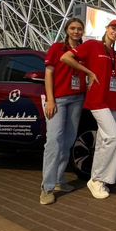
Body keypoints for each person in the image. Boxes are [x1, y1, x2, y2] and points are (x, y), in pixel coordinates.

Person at [60, 19, 116, 200]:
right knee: (114, 137)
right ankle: (98, 180)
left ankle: (97, 180)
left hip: (114, 102)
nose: (115, 31)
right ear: (106, 28)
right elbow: (65, 58)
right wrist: (88, 72)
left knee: (104, 141)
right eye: (113, 27)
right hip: (98, 101)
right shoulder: (92, 45)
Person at [40, 17, 86, 205]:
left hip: (77, 99)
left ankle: (59, 180)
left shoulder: (84, 50)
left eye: (79, 29)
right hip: (59, 100)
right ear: (67, 30)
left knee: (67, 141)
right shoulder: (57, 48)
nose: (76, 31)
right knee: (53, 142)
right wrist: (50, 99)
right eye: (73, 28)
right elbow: (48, 73)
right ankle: (47, 188)